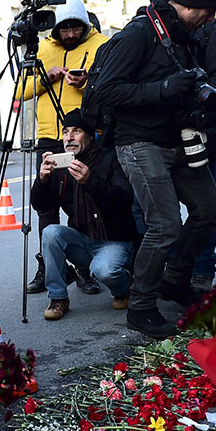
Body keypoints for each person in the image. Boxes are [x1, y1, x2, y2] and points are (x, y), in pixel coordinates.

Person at [91, 0, 216, 339]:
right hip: (138, 142)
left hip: (177, 139)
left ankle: (174, 279)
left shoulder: (187, 37)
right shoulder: (139, 34)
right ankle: (141, 305)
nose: (211, 19)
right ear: (194, 5)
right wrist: (163, 88)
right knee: (164, 225)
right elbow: (105, 92)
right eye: (210, 11)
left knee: (208, 209)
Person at [148, 0, 216, 293]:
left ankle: (201, 269)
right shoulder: (148, 27)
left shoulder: (209, 27)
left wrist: (201, 97)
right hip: (161, 137)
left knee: (206, 206)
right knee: (164, 212)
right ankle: (170, 271)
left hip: (199, 131)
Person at [23, 0, 108, 296]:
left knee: (80, 202)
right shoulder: (43, 48)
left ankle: (84, 271)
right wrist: (47, 77)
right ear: (55, 28)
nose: (70, 34)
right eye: (64, 29)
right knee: (46, 203)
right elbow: (21, 92)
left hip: (86, 136)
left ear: (85, 25)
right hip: (50, 136)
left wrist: (88, 81)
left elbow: (111, 86)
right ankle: (48, 267)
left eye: (76, 29)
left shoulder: (100, 45)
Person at [31, 109, 138, 320]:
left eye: (76, 131)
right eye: (65, 131)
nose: (69, 137)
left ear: (90, 136)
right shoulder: (62, 165)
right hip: (83, 239)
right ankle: (59, 298)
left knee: (104, 270)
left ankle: (124, 286)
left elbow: (124, 199)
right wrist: (42, 180)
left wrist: (91, 181)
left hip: (114, 239)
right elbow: (41, 205)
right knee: (51, 232)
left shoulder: (109, 159)